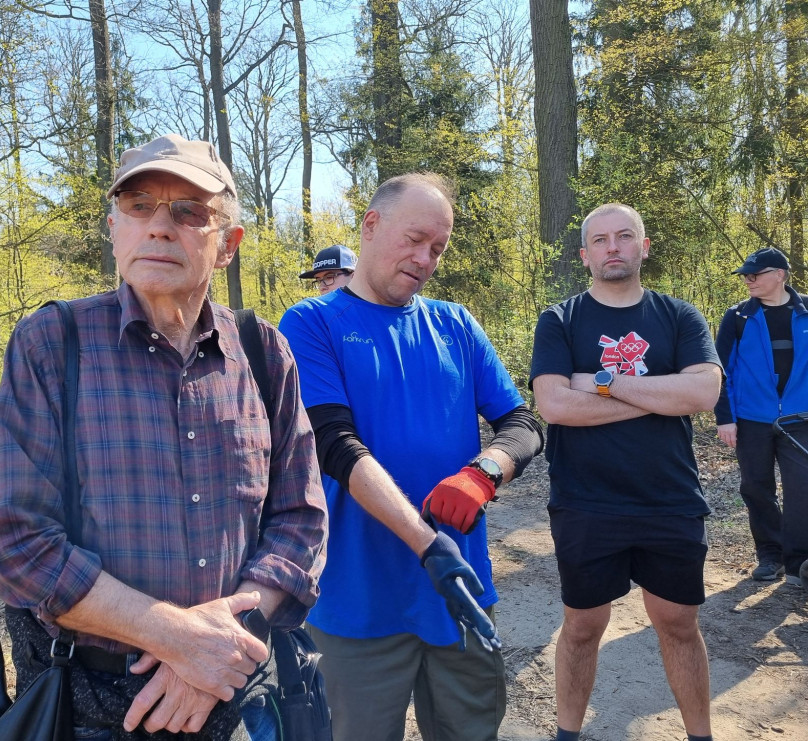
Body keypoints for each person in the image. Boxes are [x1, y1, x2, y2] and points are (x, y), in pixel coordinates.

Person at [0, 133, 328, 741]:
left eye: (191, 212)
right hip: (84, 702)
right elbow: (17, 545)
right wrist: (180, 638)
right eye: (140, 206)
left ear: (228, 246)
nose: (161, 227)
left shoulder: (263, 351)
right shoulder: (52, 343)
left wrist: (215, 653)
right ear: (114, 228)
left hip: (235, 687)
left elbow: (300, 518)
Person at [278, 172, 544, 741]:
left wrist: (484, 472)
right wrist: (426, 543)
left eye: (438, 249)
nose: (426, 258)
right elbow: (334, 445)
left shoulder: (455, 324)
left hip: (459, 592)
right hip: (357, 600)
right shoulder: (312, 322)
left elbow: (521, 424)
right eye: (415, 239)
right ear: (371, 226)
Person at [530, 203, 722, 741]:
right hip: (585, 501)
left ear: (643, 246)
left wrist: (603, 382)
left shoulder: (679, 316)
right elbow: (556, 406)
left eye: (624, 237)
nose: (612, 247)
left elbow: (704, 392)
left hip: (670, 499)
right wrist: (662, 395)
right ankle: (568, 733)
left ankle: (700, 735)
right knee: (584, 627)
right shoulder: (560, 320)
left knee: (679, 625)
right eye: (600, 240)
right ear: (585, 254)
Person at [714, 246, 808, 588]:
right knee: (756, 487)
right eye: (746, 276)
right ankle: (771, 555)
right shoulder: (737, 317)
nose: (748, 281)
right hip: (751, 419)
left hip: (801, 419)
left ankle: (799, 563)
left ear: (779, 275)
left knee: (803, 489)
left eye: (755, 275)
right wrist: (725, 417)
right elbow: (719, 372)